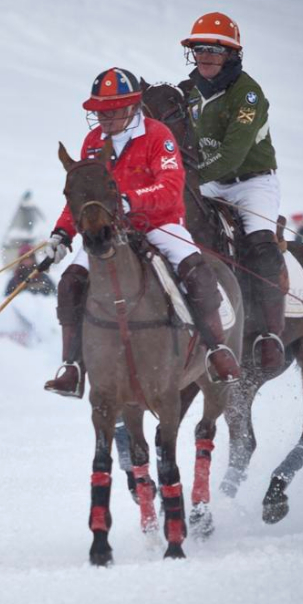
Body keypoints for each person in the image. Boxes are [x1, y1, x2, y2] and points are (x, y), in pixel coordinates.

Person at [41, 67, 241, 398]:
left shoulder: (158, 135)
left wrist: (127, 200)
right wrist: (62, 234)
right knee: (71, 282)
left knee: (197, 271)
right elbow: (84, 196)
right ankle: (72, 367)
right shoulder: (93, 143)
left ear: (133, 106)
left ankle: (217, 350)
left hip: (160, 224)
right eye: (100, 112)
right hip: (110, 230)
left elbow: (170, 187)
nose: (105, 118)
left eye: (113, 110)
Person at [180, 11, 285, 371]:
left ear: (231, 55)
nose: (205, 56)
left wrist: (191, 179)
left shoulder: (248, 94)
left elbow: (231, 155)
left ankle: (271, 334)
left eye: (214, 49)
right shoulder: (191, 92)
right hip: (209, 183)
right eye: (199, 49)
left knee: (260, 245)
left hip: (252, 183)